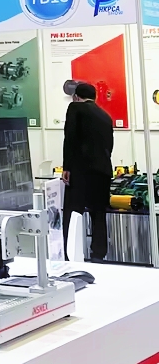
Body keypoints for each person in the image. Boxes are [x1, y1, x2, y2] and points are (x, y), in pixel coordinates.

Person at [62, 80, 114, 262]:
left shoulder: (75, 108)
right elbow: (109, 146)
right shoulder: (105, 116)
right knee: (98, 213)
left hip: (81, 170)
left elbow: (70, 138)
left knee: (72, 213)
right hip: (103, 171)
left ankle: (69, 253)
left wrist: (67, 167)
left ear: (76, 97)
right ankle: (98, 254)